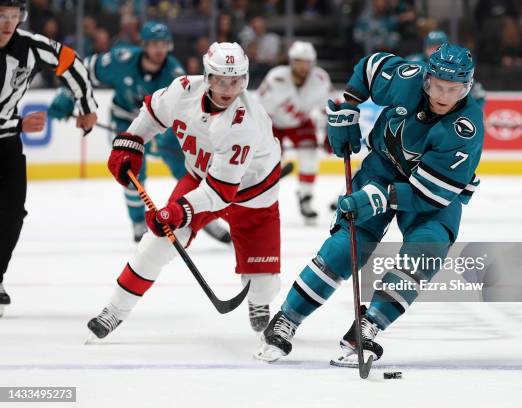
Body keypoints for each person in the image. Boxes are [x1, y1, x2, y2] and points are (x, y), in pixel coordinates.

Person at [256, 43, 484, 364]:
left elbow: (429, 195)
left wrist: (378, 199)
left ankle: (369, 325)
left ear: (468, 88)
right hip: (382, 168)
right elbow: (369, 66)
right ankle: (288, 318)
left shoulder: (465, 129)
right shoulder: (407, 78)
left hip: (432, 193)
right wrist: (350, 107)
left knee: (426, 249)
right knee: (346, 247)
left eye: (454, 89)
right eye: (437, 86)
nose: (443, 96)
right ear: (426, 79)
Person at [87, 42, 282, 338]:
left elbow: (219, 194)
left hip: (254, 193)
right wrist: (132, 141)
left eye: (236, 81)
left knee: (262, 284)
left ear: (245, 80)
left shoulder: (245, 124)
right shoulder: (182, 91)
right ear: (207, 77)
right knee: (156, 243)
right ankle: (114, 310)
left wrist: (178, 209)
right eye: (220, 80)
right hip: (201, 178)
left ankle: (258, 300)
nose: (228, 89)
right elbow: (152, 113)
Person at [48, 21, 230, 244]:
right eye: (154, 44)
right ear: (144, 45)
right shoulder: (120, 59)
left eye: (163, 44)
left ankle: (202, 216)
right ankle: (137, 221)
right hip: (125, 121)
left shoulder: (174, 74)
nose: (159, 49)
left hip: (163, 126)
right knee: (132, 170)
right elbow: (82, 69)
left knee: (186, 166)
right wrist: (68, 94)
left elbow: (184, 112)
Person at [0, 0, 97, 316]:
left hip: (8, 146)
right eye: (2, 16)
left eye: (14, 17)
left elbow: (71, 62)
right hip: (12, 130)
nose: (7, 23)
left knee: (13, 214)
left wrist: (85, 107)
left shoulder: (30, 47)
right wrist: (18, 123)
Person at [257, 41, 332, 225]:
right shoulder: (276, 78)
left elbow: (328, 108)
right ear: (290, 61)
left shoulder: (321, 79)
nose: (302, 66)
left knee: (309, 156)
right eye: (298, 61)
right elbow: (260, 110)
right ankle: (259, 201)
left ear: (313, 62)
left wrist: (331, 130)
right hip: (272, 123)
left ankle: (305, 198)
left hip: (300, 123)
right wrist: (262, 137)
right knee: (268, 164)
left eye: (306, 62)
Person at [407, 30, 486, 107]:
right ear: (425, 48)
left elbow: (479, 95)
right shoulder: (413, 62)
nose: (433, 50)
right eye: (430, 47)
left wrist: (470, 116)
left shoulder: (457, 64)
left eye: (437, 47)